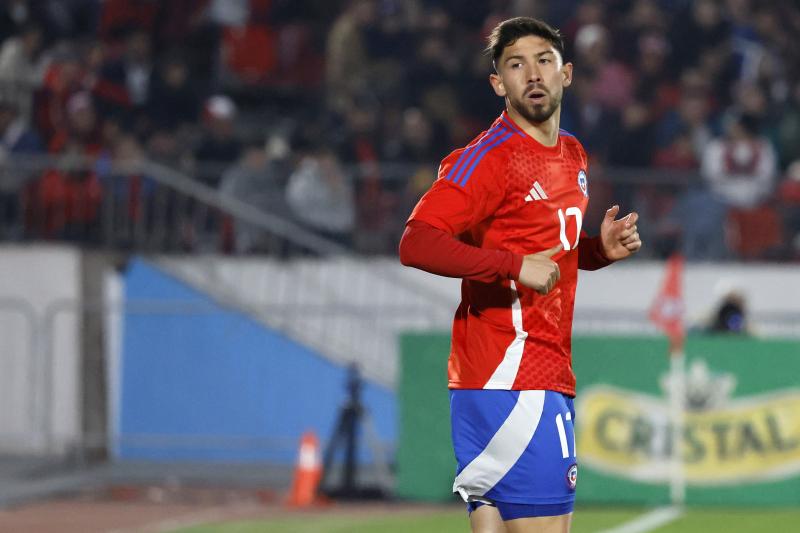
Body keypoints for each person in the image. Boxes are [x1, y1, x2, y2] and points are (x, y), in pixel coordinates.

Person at [399, 17, 642, 533]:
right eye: (516, 65)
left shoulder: (573, 153)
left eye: (543, 61)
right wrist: (511, 266)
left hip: (515, 373)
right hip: (513, 375)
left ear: (567, 73)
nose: (532, 73)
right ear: (498, 84)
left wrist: (597, 251)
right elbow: (416, 241)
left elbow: (547, 257)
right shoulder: (489, 158)